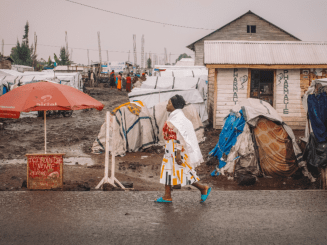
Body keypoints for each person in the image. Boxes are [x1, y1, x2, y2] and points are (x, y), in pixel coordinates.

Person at [155, 95, 211, 203]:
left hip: (176, 149)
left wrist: (178, 153)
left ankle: (203, 188)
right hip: (171, 148)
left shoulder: (179, 118)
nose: (167, 105)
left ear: (175, 105)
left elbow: (181, 136)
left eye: (169, 103)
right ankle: (167, 195)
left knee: (183, 171)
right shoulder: (175, 116)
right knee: (169, 170)